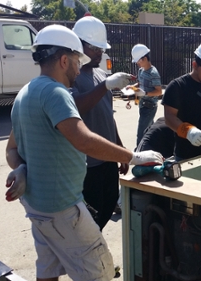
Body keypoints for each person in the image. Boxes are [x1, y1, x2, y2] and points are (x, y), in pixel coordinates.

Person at [4, 24, 163, 281]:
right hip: (63, 208)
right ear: (65, 60)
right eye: (78, 61)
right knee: (99, 271)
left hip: (37, 206)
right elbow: (84, 140)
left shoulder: (26, 92)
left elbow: (12, 148)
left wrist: (20, 167)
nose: (79, 68)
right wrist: (131, 156)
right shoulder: (57, 93)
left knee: (48, 268)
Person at [70, 16, 126, 231]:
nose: (99, 53)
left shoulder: (100, 74)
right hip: (88, 164)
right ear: (78, 45)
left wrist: (119, 148)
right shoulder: (71, 78)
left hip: (108, 159)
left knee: (109, 204)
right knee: (89, 216)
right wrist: (105, 86)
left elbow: (107, 116)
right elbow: (76, 107)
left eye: (101, 48)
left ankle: (94, 246)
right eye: (94, 48)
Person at [128, 44, 162, 146]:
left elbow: (159, 91)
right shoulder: (141, 71)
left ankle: (138, 154)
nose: (137, 63)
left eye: (139, 60)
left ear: (145, 58)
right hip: (142, 105)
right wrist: (132, 87)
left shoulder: (153, 73)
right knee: (150, 130)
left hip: (150, 107)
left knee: (141, 133)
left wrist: (145, 93)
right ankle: (158, 146)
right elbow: (140, 83)